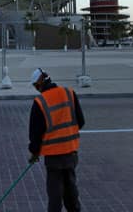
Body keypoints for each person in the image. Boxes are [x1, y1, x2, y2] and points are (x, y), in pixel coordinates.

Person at [28, 68, 85, 212]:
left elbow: (35, 134)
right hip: (71, 154)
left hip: (53, 158)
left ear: (38, 85)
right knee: (71, 193)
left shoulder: (40, 102)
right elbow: (81, 121)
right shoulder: (69, 93)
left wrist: (34, 153)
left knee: (55, 197)